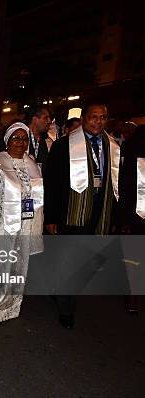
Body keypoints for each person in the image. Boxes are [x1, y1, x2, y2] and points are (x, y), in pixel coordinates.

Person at [44, 102, 120, 329]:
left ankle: (61, 288)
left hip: (100, 211)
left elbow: (116, 185)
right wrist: (51, 217)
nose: (98, 121)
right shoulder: (63, 146)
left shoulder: (113, 146)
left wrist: (115, 217)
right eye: (93, 117)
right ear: (84, 118)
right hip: (72, 210)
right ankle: (67, 308)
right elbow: (53, 184)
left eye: (103, 117)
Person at [0, 122, 44, 323]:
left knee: (19, 266)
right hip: (2, 224)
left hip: (25, 224)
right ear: (7, 140)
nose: (21, 142)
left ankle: (11, 307)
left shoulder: (33, 164)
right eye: (16, 138)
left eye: (24, 138)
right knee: (0, 266)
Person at [119, 125, 145, 313]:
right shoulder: (136, 144)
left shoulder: (133, 143)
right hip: (138, 210)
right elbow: (126, 183)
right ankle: (133, 295)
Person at [26, 105, 53, 175]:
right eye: (46, 118)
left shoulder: (48, 141)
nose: (49, 121)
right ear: (35, 119)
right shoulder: (20, 140)